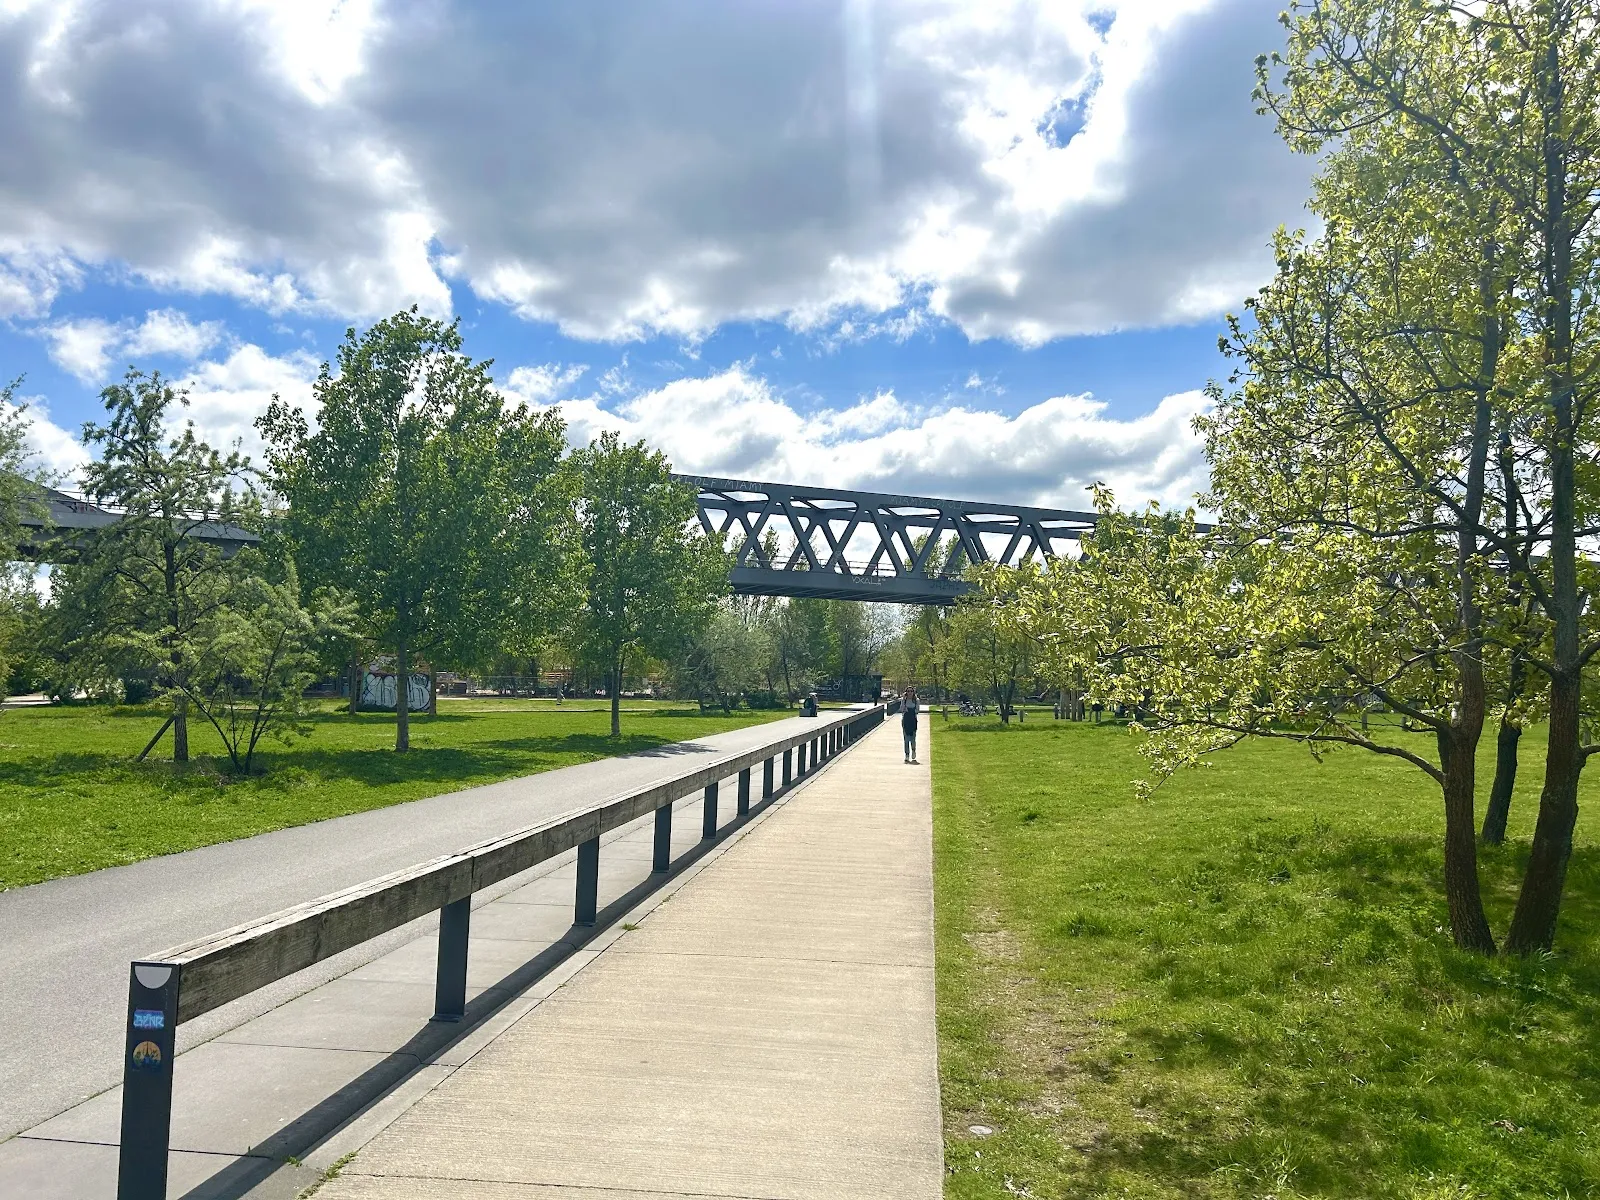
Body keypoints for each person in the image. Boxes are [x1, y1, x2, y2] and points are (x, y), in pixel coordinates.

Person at [901, 686, 920, 764]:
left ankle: (913, 750)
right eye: (908, 691)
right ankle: (907, 754)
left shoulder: (916, 700)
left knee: (913, 738)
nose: (909, 693)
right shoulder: (904, 700)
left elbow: (917, 710)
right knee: (906, 739)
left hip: (913, 721)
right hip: (905, 721)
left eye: (911, 691)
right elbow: (901, 709)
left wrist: (912, 711)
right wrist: (905, 708)